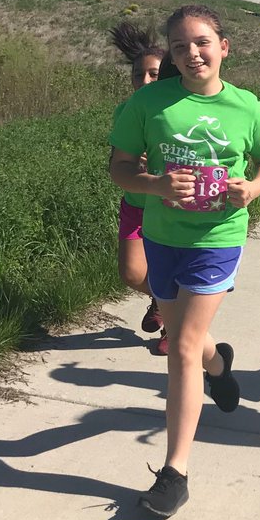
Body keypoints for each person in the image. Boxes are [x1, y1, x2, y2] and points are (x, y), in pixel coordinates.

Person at [109, 4, 260, 518]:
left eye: (202, 42)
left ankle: (174, 473)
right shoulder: (149, 105)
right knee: (192, 338)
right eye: (180, 46)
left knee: (180, 345)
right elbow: (119, 169)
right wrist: (154, 184)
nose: (192, 53)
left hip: (219, 236)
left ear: (223, 47)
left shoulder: (248, 107)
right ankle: (221, 365)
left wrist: (252, 188)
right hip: (163, 236)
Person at [109, 23, 166, 352]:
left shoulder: (179, 112)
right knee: (132, 274)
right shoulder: (125, 111)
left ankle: (174, 324)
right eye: (138, 75)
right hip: (136, 205)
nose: (144, 81)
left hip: (170, 209)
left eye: (154, 74)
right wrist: (131, 164)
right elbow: (114, 163)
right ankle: (162, 298)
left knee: (173, 275)